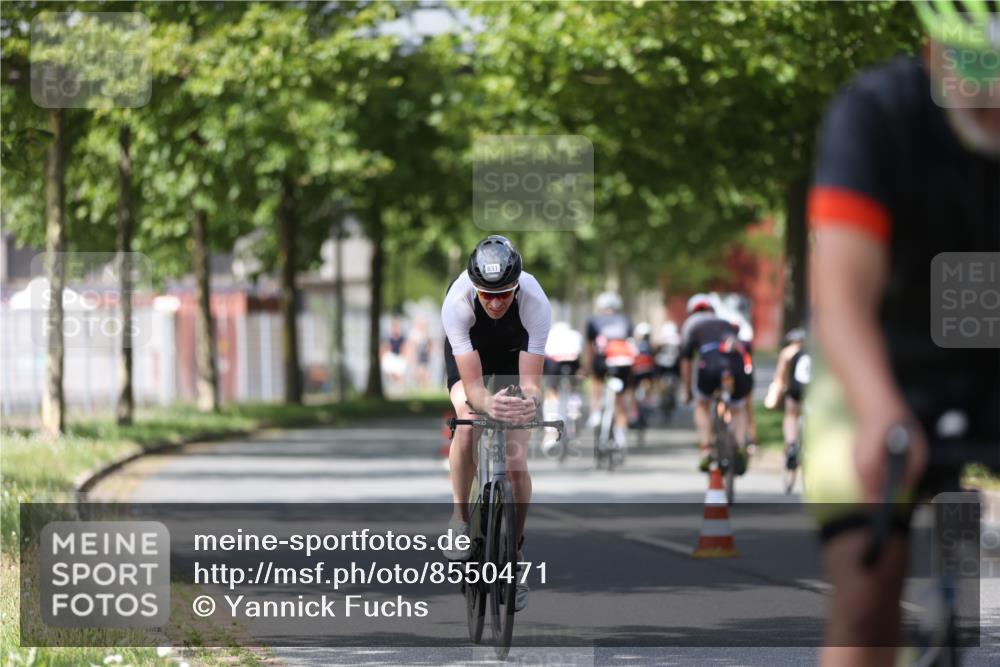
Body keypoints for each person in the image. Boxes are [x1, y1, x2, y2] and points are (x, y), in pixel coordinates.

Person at [805, 2, 999, 663]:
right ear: (934, 54)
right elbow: (841, 298)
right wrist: (879, 410)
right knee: (868, 588)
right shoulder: (876, 114)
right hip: (875, 351)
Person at [439, 235, 552, 612]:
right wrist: (488, 404)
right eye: (487, 295)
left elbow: (532, 385)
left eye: (504, 294)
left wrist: (527, 404)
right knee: (467, 420)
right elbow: (473, 388)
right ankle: (459, 518)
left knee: (517, 463)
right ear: (474, 288)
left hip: (513, 354)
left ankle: (515, 555)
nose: (496, 302)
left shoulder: (535, 302)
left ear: (517, 286)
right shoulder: (457, 302)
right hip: (470, 351)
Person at [680, 293, 753, 474]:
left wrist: (687, 389)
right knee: (737, 409)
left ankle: (706, 448)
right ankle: (739, 445)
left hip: (710, 364)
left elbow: (686, 361)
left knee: (702, 405)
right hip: (735, 363)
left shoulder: (690, 325)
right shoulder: (724, 322)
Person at [584, 291, 634, 449]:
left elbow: (590, 347)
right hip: (622, 362)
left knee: (597, 382)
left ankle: (596, 411)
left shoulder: (593, 320)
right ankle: (621, 434)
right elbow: (630, 343)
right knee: (620, 399)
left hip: (602, 361)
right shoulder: (626, 320)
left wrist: (587, 367)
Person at [764, 327, 810, 470]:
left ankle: (791, 444)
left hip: (795, 389)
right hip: (812, 390)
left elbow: (780, 376)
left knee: (791, 415)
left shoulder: (787, 352)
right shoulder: (813, 351)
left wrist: (778, 391)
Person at [542, 321, 584, 455]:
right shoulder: (575, 335)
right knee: (573, 387)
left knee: (551, 391)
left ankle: (550, 433)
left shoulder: (550, 335)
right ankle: (574, 408)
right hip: (572, 363)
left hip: (554, 363)